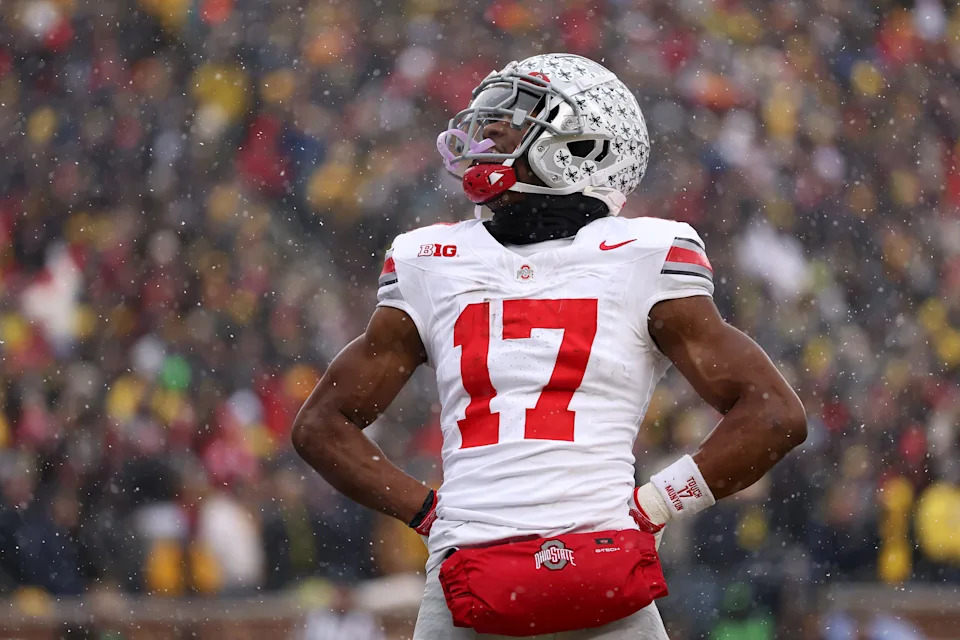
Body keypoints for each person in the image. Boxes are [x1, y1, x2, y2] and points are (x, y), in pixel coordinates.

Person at [292, 53, 807, 639]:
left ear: (583, 146)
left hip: (485, 574)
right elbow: (320, 427)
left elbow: (775, 413)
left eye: (514, 115)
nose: (487, 129)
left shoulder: (640, 253)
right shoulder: (432, 259)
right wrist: (652, 508)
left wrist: (432, 516)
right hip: (595, 559)